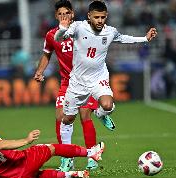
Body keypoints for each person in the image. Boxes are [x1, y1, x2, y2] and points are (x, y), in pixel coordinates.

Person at [54, 1, 157, 145]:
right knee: (68, 119)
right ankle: (66, 156)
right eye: (96, 17)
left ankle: (100, 114)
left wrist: (145, 39)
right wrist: (62, 28)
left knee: (107, 105)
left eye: (102, 17)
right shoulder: (78, 27)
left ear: (106, 16)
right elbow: (58, 39)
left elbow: (124, 39)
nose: (100, 21)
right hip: (78, 81)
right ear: (89, 16)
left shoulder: (110, 31)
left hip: (98, 77)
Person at [34, 0, 113, 172]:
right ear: (56, 16)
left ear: (72, 14)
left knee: (85, 115)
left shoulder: (83, 29)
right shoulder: (52, 35)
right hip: (67, 82)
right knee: (61, 117)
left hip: (87, 80)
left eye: (67, 13)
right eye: (61, 14)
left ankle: (92, 157)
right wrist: (40, 71)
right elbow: (46, 55)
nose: (64, 16)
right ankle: (67, 158)